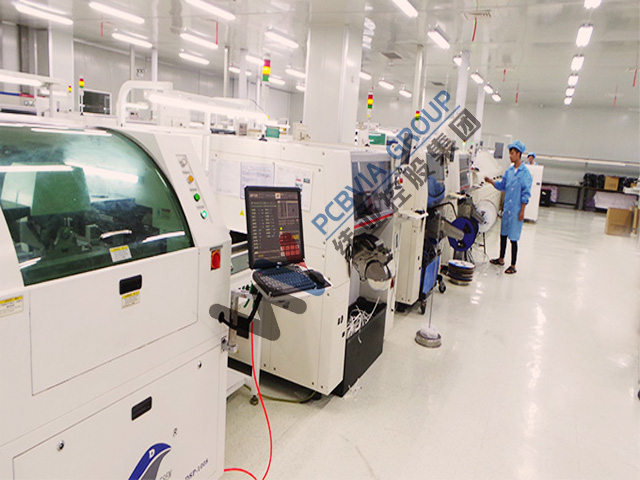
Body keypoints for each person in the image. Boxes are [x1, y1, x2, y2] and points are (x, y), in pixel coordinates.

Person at [484, 140, 532, 274]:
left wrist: (522, 211)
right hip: (507, 209)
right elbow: (502, 186)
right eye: (510, 153)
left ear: (519, 154)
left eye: (512, 153)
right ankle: (501, 259)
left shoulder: (525, 173)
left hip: (516, 210)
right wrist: (491, 182)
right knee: (503, 234)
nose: (510, 156)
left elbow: (526, 193)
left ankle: (513, 265)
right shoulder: (509, 171)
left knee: (514, 238)